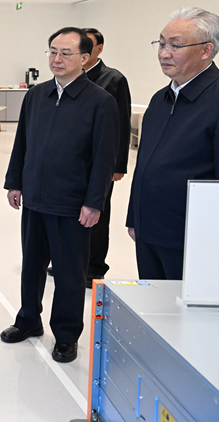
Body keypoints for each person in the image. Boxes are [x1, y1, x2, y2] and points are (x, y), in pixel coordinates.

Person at [1, 27, 119, 363]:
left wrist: (94, 202)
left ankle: (66, 335)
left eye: (66, 53)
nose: (57, 59)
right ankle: (28, 320)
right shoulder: (37, 95)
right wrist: (14, 182)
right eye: (52, 51)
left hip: (72, 204)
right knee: (31, 266)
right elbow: (22, 142)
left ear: (85, 58)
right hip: (35, 199)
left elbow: (104, 158)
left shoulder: (100, 102)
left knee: (69, 274)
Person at [127, 7, 219, 280]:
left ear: (206, 50)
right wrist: (135, 218)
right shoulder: (160, 99)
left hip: (192, 240)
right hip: (148, 232)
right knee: (153, 303)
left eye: (175, 45)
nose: (164, 53)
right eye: (161, 44)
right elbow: (145, 165)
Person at [82, 28, 131, 286]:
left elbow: (122, 122)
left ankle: (94, 267)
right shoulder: (70, 77)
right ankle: (74, 261)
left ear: (99, 48)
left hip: (102, 161)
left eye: (87, 45)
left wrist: (118, 164)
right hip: (75, 162)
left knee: (97, 215)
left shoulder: (114, 79)